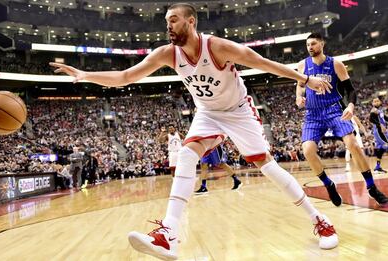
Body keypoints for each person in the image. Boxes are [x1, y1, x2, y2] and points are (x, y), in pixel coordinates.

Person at [51, 4, 339, 259]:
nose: (168, 25)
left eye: (173, 20)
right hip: (208, 113)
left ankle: (319, 220)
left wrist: (306, 79)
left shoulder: (218, 47)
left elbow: (263, 63)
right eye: (166, 21)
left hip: (238, 110)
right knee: (187, 156)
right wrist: (84, 75)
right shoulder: (167, 53)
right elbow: (126, 77)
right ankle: (169, 236)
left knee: (267, 166)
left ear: (191, 22)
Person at [295, 33, 388, 208]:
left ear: (322, 44)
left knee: (353, 144)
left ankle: (371, 187)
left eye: (313, 44)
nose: (310, 47)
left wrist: (351, 106)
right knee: (307, 150)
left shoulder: (335, 64)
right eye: (308, 45)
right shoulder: (302, 65)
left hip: (333, 110)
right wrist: (299, 98)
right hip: (312, 114)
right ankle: (328, 184)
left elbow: (351, 91)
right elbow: (299, 87)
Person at [370, 97, 388, 173]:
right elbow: (371, 119)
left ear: (380, 102)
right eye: (375, 101)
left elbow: (385, 118)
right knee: (386, 145)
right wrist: (380, 124)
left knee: (381, 149)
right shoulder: (373, 110)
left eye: (377, 101)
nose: (376, 102)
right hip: (378, 131)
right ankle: (377, 167)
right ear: (372, 103)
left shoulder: (380, 110)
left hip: (383, 131)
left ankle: (377, 167)